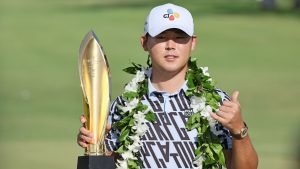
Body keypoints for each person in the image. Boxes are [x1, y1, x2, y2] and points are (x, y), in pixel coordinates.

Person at [77, 3, 258, 169]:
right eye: (162, 37)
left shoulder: (217, 103)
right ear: (145, 43)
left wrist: (238, 130)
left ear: (192, 42)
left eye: (180, 38)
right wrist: (94, 144)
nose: (171, 45)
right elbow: (111, 162)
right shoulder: (123, 107)